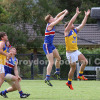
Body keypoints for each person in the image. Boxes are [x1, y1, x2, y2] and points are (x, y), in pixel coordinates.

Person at [64, 7, 90, 90]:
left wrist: (86, 16)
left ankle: (80, 75)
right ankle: (69, 82)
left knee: (85, 62)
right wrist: (77, 13)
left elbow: (82, 25)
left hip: (76, 51)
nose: (73, 24)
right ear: (68, 26)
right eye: (71, 24)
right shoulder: (66, 31)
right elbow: (71, 21)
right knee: (73, 67)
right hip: (70, 53)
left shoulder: (75, 30)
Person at [43, 9, 68, 86]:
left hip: (51, 45)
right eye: (51, 18)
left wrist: (63, 11)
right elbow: (59, 18)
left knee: (58, 58)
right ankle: (47, 78)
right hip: (47, 45)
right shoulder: (50, 25)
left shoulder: (52, 23)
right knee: (51, 62)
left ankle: (57, 72)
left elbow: (57, 16)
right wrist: (65, 13)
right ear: (49, 21)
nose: (53, 18)